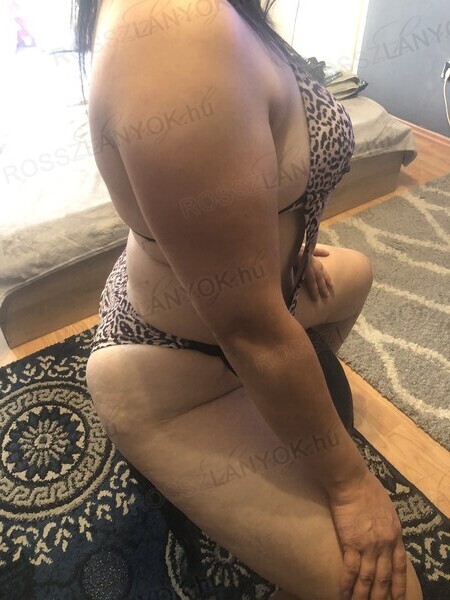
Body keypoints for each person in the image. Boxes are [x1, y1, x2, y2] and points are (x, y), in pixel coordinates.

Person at [77, 1, 423, 598]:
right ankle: (249, 406)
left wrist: (290, 250)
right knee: (392, 594)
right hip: (173, 364)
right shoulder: (172, 31)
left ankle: (275, 398)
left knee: (356, 274)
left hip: (252, 305)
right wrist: (351, 486)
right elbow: (248, 328)